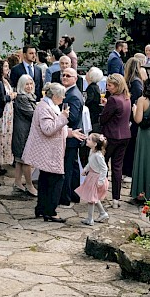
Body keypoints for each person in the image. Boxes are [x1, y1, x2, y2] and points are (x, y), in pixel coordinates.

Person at [22, 83, 87, 222]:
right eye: (62, 95)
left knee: (46, 179)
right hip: (48, 150)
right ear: (56, 96)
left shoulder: (49, 105)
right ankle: (50, 211)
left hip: (50, 149)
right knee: (56, 179)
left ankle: (41, 208)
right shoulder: (45, 107)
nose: (64, 98)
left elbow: (56, 128)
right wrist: (63, 117)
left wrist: (70, 132)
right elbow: (48, 129)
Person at [99, 73, 131, 207]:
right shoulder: (127, 98)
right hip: (125, 135)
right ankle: (116, 199)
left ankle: (100, 195)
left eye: (110, 85)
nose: (107, 88)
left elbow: (103, 119)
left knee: (103, 165)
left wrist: (104, 109)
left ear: (117, 86)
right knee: (117, 167)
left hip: (111, 136)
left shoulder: (113, 99)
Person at [58, 67, 89, 206]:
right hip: (72, 136)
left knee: (68, 167)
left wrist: (60, 116)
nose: (64, 77)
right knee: (74, 166)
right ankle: (74, 195)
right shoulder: (70, 92)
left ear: (75, 79)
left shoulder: (73, 95)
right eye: (63, 75)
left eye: (68, 76)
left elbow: (73, 117)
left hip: (71, 135)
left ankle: (65, 197)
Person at [10, 74, 38, 196]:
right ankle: (29, 185)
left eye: (31, 83)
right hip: (23, 131)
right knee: (26, 159)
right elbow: (31, 114)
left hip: (25, 129)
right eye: (27, 84)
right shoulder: (22, 98)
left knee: (20, 159)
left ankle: (17, 181)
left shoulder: (30, 96)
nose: (29, 86)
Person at [76, 133, 110, 226]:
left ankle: (90, 219)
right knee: (94, 197)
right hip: (91, 176)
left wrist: (100, 181)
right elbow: (90, 163)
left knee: (91, 199)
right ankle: (103, 213)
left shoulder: (98, 155)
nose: (87, 139)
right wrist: (85, 170)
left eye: (89, 139)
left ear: (95, 144)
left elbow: (104, 168)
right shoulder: (92, 152)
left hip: (96, 178)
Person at [123, 57, 147, 179]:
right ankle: (127, 171)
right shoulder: (134, 82)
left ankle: (128, 172)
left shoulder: (133, 82)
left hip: (131, 118)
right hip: (131, 117)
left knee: (130, 146)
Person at [0, 58, 16, 170]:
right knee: (0, 136)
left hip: (9, 112)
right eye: (5, 66)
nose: (7, 68)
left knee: (6, 136)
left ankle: (1, 161)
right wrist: (10, 97)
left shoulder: (6, 79)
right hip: (2, 112)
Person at [83, 67, 104, 132]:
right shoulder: (95, 87)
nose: (86, 73)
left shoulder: (91, 88)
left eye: (88, 72)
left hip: (92, 116)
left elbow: (88, 101)